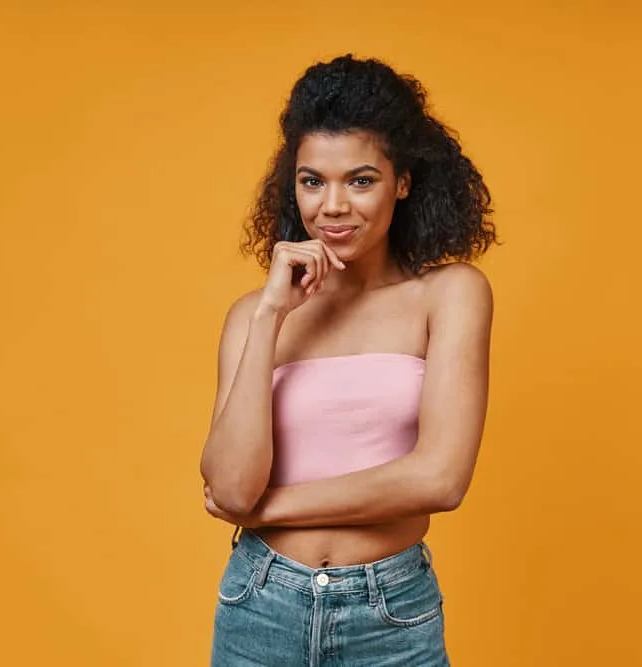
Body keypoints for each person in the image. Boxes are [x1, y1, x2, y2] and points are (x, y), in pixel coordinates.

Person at [200, 54, 496, 666]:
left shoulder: (448, 295)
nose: (333, 206)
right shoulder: (254, 316)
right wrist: (269, 317)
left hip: (389, 615)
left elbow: (440, 479)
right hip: (260, 603)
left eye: (360, 180)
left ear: (403, 181)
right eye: (313, 181)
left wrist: (268, 509)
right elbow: (229, 483)